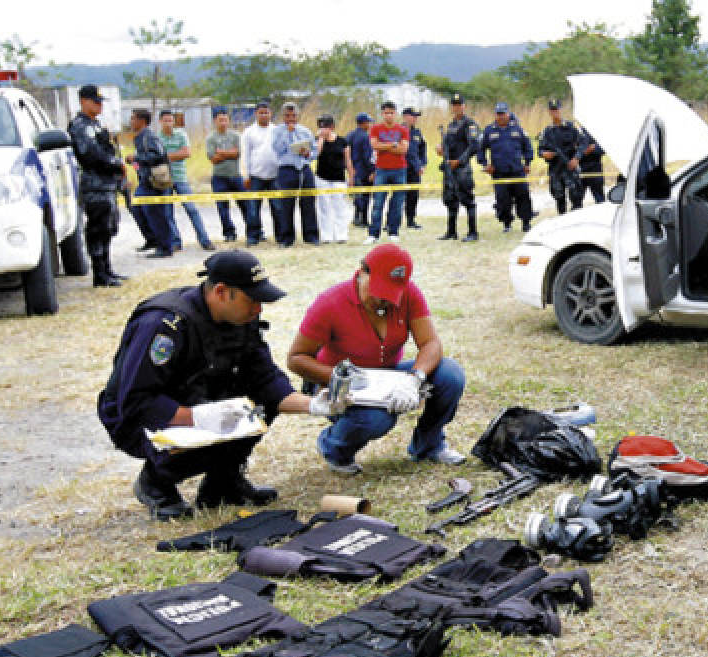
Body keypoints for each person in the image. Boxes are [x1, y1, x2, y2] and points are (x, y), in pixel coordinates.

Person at [97, 251, 341, 519]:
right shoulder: (165, 324)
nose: (258, 308)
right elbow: (136, 400)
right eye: (252, 299)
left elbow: (265, 379)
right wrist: (199, 418)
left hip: (198, 398)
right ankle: (157, 483)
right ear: (222, 292)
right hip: (137, 418)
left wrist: (317, 405)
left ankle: (222, 484)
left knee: (257, 407)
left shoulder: (241, 320)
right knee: (221, 420)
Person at [287, 244, 467, 474]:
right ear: (362, 272)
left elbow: (431, 343)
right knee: (377, 419)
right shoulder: (330, 302)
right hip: (341, 383)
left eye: (391, 294)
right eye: (378, 292)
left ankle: (429, 445)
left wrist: (414, 379)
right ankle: (334, 447)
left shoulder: (410, 294)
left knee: (450, 374)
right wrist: (340, 377)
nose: (383, 301)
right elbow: (295, 358)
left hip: (385, 375)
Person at [66, 84, 128, 287]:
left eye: (101, 101)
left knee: (109, 228)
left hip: (108, 183)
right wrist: (116, 164)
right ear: (83, 101)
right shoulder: (80, 126)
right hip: (95, 185)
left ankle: (108, 270)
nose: (100, 105)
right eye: (96, 101)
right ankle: (99, 274)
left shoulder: (97, 125)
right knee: (97, 229)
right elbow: (90, 154)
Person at [158, 109, 215, 253]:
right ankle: (176, 241)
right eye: (165, 120)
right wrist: (175, 155)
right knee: (167, 213)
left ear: (174, 122)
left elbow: (186, 153)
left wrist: (165, 156)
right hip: (164, 179)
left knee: (192, 209)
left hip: (181, 178)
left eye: (170, 120)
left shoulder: (181, 134)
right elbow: (158, 157)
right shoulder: (157, 138)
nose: (168, 123)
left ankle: (204, 240)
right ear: (160, 122)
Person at [124, 108, 175, 259]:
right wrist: (135, 165)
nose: (131, 121)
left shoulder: (150, 136)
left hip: (155, 183)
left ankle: (165, 247)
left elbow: (158, 155)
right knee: (137, 208)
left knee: (157, 215)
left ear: (142, 121)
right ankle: (152, 240)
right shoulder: (139, 137)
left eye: (133, 118)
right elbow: (141, 162)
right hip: (144, 181)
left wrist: (137, 158)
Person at [478, 101, 533, 233]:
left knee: (523, 197)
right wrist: (485, 164)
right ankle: (506, 224)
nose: (501, 116)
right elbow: (480, 149)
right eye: (498, 114)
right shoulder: (489, 130)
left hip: (517, 171)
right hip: (499, 172)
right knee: (503, 200)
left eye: (503, 114)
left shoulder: (517, 129)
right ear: (495, 115)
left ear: (508, 114)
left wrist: (527, 163)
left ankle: (526, 223)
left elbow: (528, 147)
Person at [271, 102, 319, 247]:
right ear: (283, 116)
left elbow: (314, 152)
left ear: (298, 116)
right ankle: (286, 238)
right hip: (287, 169)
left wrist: (308, 154)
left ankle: (311, 235)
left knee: (308, 203)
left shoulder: (305, 131)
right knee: (286, 205)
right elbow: (277, 149)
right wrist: (289, 133)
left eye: (293, 115)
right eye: (287, 116)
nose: (291, 118)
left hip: (304, 168)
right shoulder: (277, 131)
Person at [437, 93, 481, 242]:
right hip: (449, 168)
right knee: (450, 199)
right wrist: (441, 149)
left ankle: (473, 232)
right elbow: (448, 145)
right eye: (454, 105)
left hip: (462, 168)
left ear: (464, 106)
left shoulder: (470, 124)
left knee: (467, 200)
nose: (456, 107)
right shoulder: (451, 125)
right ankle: (451, 231)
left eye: (459, 104)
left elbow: (474, 146)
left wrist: (460, 161)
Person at [367, 100, 409, 243]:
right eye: (386, 113)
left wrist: (383, 146)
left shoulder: (402, 130)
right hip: (381, 169)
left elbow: (404, 149)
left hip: (400, 169)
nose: (389, 115)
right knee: (378, 202)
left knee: (397, 203)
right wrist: (392, 144)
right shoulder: (376, 129)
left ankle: (393, 232)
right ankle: (373, 234)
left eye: (391, 113)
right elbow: (374, 145)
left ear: (395, 113)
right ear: (382, 114)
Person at [205, 107, 248, 243]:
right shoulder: (211, 138)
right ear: (215, 121)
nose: (223, 122)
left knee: (246, 204)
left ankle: (253, 232)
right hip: (219, 177)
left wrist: (222, 152)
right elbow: (213, 158)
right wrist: (230, 153)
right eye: (220, 120)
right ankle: (229, 233)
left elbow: (238, 153)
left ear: (228, 121)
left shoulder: (236, 136)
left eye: (225, 120)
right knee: (223, 208)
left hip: (236, 175)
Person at [240, 100, 280, 246]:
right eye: (261, 113)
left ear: (271, 114)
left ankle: (281, 237)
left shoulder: (277, 130)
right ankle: (253, 237)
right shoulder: (249, 132)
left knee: (277, 207)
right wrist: (246, 175)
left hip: (275, 176)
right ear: (256, 114)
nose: (264, 115)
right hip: (255, 176)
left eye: (266, 112)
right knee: (253, 208)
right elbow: (245, 155)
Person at [538, 99, 583, 215]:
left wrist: (576, 158)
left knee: (576, 197)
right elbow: (540, 150)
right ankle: (562, 219)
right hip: (555, 169)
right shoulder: (547, 131)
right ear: (549, 112)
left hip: (570, 167)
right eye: (552, 110)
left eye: (556, 109)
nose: (555, 112)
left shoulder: (571, 126)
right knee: (559, 198)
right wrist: (544, 154)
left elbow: (584, 142)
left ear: (560, 109)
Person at [313, 114, 350, 243]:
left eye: (326, 126)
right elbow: (316, 154)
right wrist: (321, 139)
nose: (324, 129)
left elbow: (348, 160)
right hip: (322, 178)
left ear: (332, 127)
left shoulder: (342, 141)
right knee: (324, 207)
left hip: (339, 178)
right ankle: (326, 235)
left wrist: (351, 176)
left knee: (339, 206)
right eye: (321, 127)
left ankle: (341, 235)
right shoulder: (317, 140)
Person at [347, 112, 374, 227]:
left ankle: (356, 218)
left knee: (357, 196)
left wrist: (349, 169)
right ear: (363, 123)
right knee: (365, 196)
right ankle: (363, 220)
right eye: (368, 122)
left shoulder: (349, 135)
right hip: (364, 171)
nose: (369, 124)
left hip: (353, 170)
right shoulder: (365, 136)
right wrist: (373, 170)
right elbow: (367, 156)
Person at [402, 108, 426, 229]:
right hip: (401, 168)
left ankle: (411, 221)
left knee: (413, 196)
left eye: (417, 116)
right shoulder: (397, 130)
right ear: (405, 116)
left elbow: (422, 149)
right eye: (413, 116)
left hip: (415, 169)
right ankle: (392, 222)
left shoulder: (417, 133)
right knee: (398, 196)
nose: (415, 118)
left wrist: (422, 164)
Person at [576, 127, 606, 206]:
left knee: (600, 200)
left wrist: (593, 148)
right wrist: (581, 152)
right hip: (580, 169)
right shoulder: (575, 131)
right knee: (576, 201)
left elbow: (603, 149)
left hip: (595, 169)